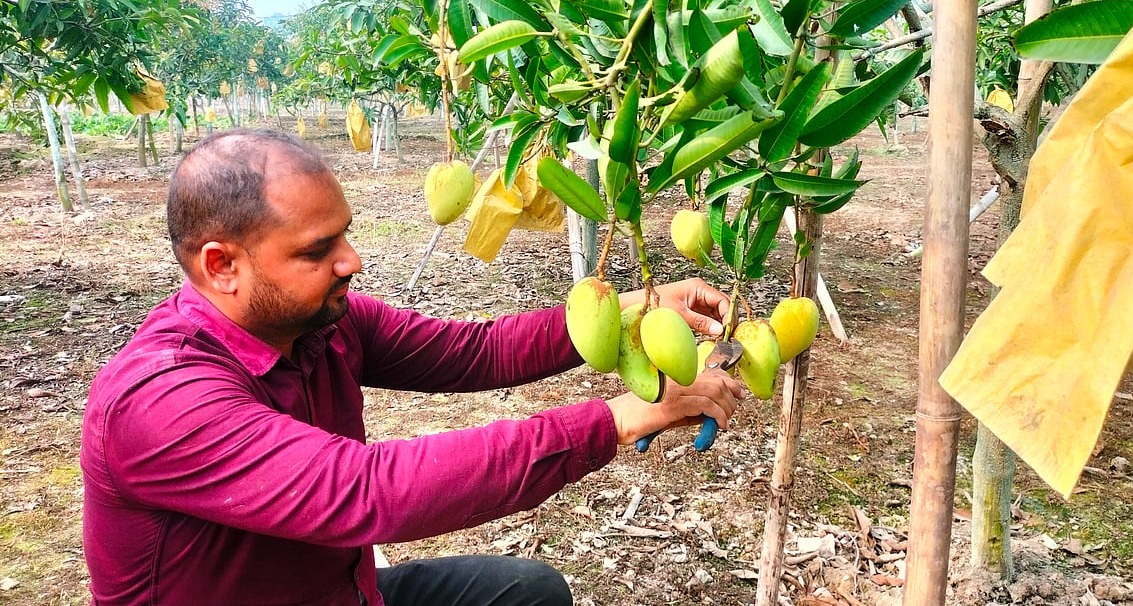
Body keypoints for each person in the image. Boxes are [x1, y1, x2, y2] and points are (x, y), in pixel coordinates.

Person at [80, 128, 745, 606]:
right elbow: (368, 492)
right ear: (221, 265)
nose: (352, 260)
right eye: (317, 250)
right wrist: (622, 418)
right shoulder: (158, 399)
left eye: (344, 233)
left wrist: (631, 309)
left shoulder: (324, 323)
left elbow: (477, 351)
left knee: (528, 592)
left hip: (341, 591)